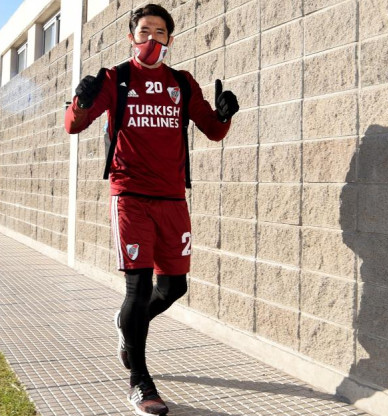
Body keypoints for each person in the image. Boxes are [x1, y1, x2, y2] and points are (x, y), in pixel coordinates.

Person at [64, 4, 239, 415]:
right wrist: (81, 101)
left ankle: (128, 325)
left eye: (160, 32)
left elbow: (212, 131)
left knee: (174, 287)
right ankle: (140, 381)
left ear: (170, 40)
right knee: (138, 289)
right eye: (144, 31)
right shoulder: (116, 78)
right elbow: (74, 125)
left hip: (173, 199)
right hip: (130, 197)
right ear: (131, 36)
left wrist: (226, 115)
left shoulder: (182, 82)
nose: (152, 39)